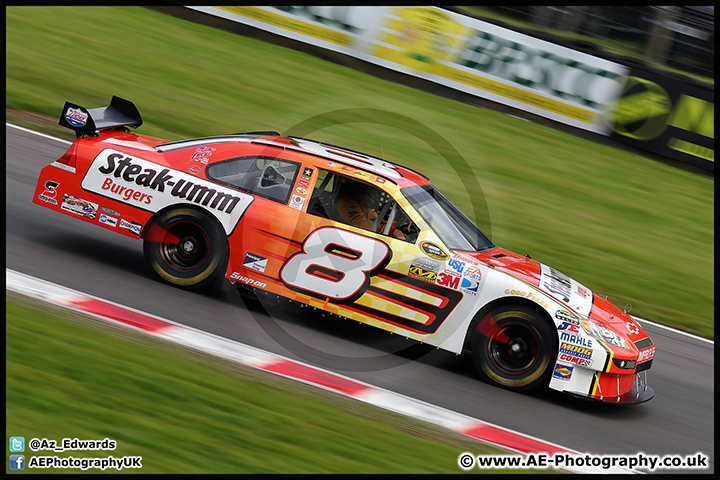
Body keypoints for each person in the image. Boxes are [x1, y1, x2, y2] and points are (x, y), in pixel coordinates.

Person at [336, 180, 408, 240]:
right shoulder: (346, 203)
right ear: (364, 189)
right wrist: (392, 231)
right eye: (374, 190)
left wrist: (396, 224)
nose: (376, 194)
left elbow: (377, 220)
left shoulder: (364, 207)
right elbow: (361, 224)